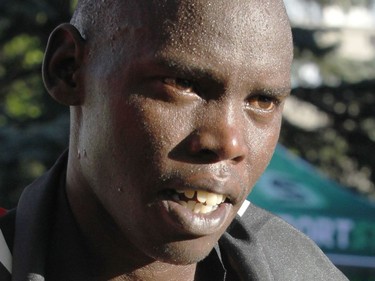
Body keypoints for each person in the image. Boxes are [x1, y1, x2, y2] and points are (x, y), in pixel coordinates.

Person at [0, 0, 348, 280]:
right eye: (182, 84)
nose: (229, 142)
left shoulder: (303, 272)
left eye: (262, 102)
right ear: (69, 70)